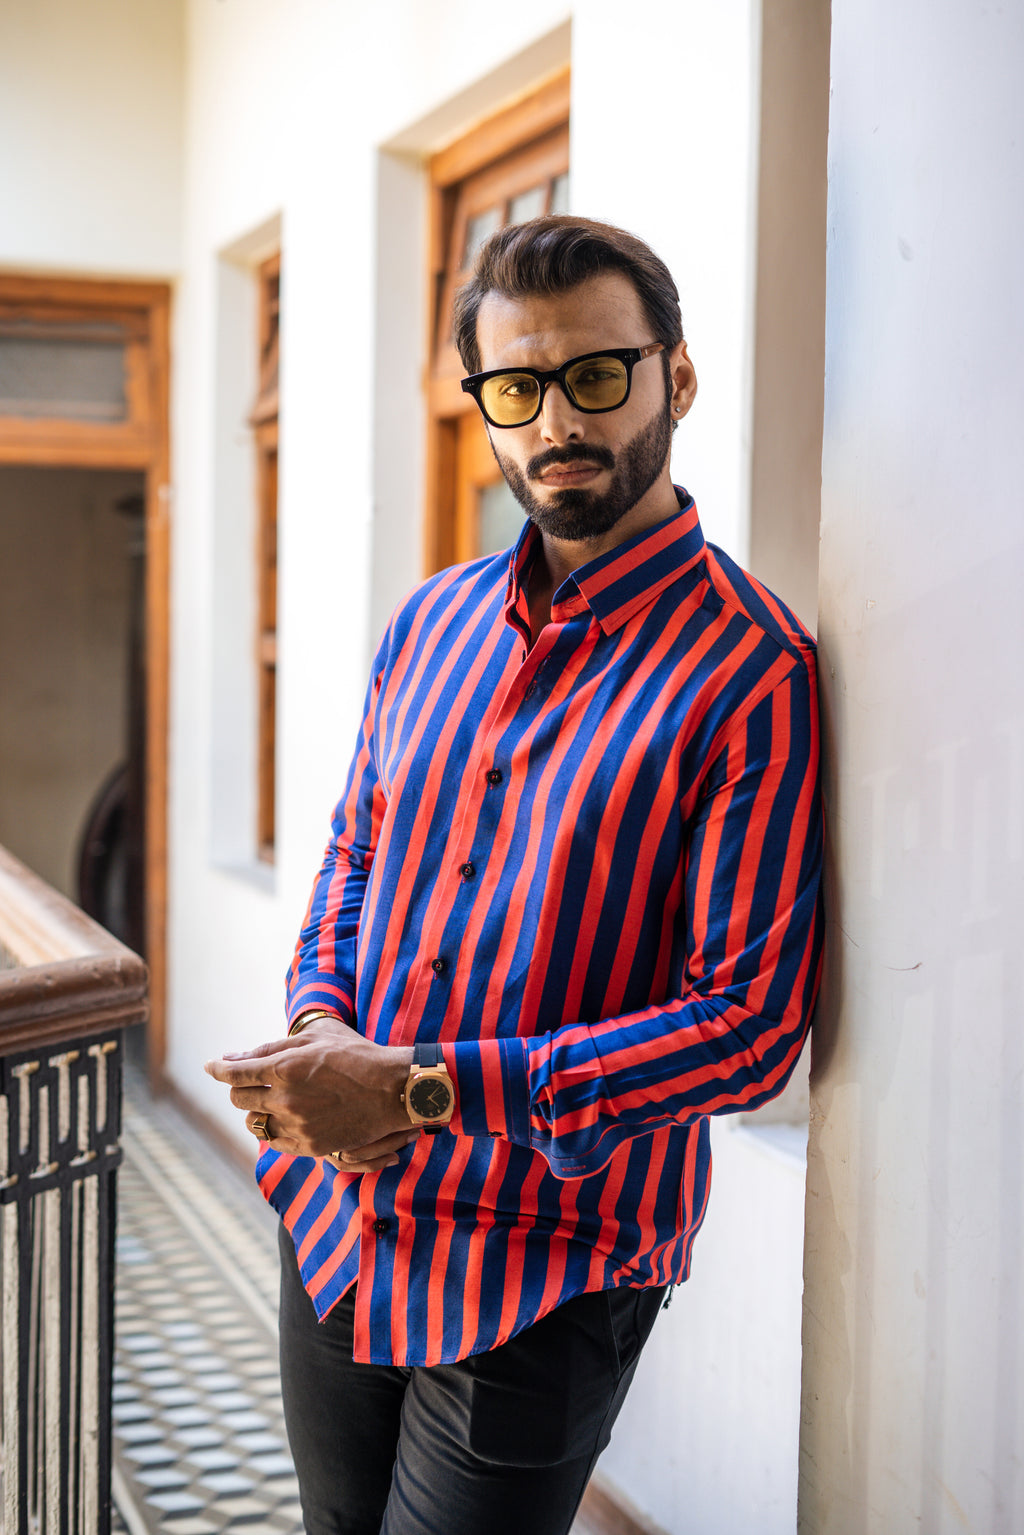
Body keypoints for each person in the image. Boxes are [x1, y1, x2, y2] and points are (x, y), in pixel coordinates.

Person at [206, 215, 824, 1535]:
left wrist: (422, 1091)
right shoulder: (426, 625)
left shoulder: (750, 669)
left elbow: (750, 1032)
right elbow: (356, 866)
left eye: (599, 376)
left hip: (548, 1265)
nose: (557, 423)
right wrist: (323, 1028)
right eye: (517, 389)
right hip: (338, 1217)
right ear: (484, 403)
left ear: (679, 379)